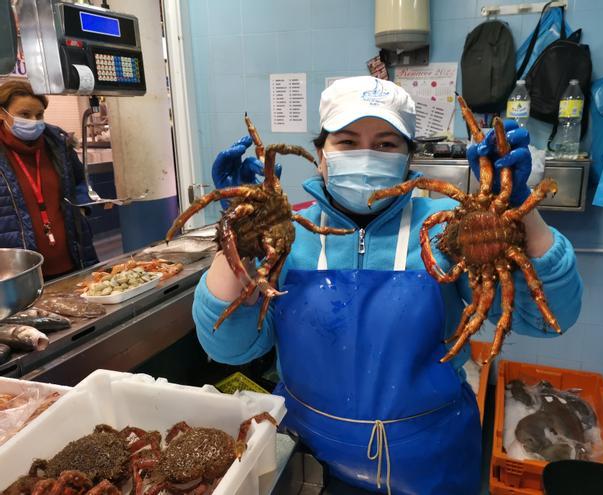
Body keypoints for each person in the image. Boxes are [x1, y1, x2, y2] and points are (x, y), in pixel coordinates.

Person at [193, 76, 582, 494]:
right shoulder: (286, 232)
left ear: (408, 157)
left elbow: (548, 319)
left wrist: (521, 211)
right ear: (321, 155)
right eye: (346, 141)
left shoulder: (451, 226)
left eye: (385, 143)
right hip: (309, 458)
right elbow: (226, 347)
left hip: (434, 460)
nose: (366, 155)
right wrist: (238, 227)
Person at [0, 80, 98, 278]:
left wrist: (82, 207)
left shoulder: (58, 145)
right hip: (19, 274)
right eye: (24, 115)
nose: (34, 121)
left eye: (39, 115)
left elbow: (80, 181)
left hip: (74, 260)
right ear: (2, 113)